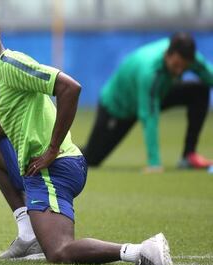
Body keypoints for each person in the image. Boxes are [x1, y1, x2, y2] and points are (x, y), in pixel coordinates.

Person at [0, 3, 173, 265]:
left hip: (54, 168)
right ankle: (28, 234)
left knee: (60, 251)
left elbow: (69, 87)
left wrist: (52, 149)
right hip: (40, 168)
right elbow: (3, 124)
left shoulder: (11, 64)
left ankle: (141, 251)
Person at [83, 33, 213, 172]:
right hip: (118, 107)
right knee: (91, 159)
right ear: (168, 55)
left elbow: (210, 76)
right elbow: (149, 116)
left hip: (159, 92)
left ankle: (189, 156)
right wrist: (154, 163)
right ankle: (63, 153)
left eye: (184, 67)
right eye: (176, 65)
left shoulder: (191, 59)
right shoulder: (149, 71)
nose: (179, 71)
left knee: (199, 92)